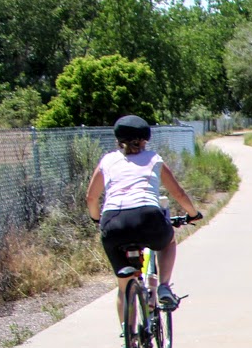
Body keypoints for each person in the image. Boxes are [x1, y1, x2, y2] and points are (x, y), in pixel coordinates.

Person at [85, 115, 203, 333]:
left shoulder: (108, 161)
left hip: (113, 222)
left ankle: (127, 338)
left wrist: (96, 219)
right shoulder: (153, 159)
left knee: (123, 288)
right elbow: (178, 192)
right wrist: (193, 214)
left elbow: (91, 198)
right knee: (168, 242)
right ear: (145, 139)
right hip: (148, 217)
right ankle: (164, 287)